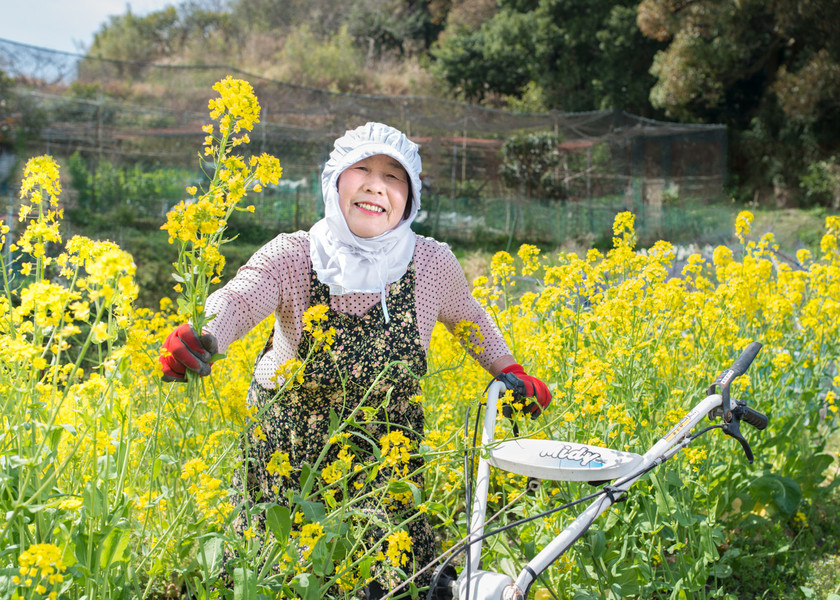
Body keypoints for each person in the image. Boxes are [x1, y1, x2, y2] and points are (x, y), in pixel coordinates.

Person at [159, 122, 551, 597]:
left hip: (387, 453)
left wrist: (510, 372)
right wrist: (205, 338)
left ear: (410, 198)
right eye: (360, 169)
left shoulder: (430, 264)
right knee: (283, 578)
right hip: (288, 460)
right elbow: (242, 296)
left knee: (393, 580)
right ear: (334, 182)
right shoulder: (295, 256)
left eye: (394, 177)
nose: (375, 185)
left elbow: (469, 318)